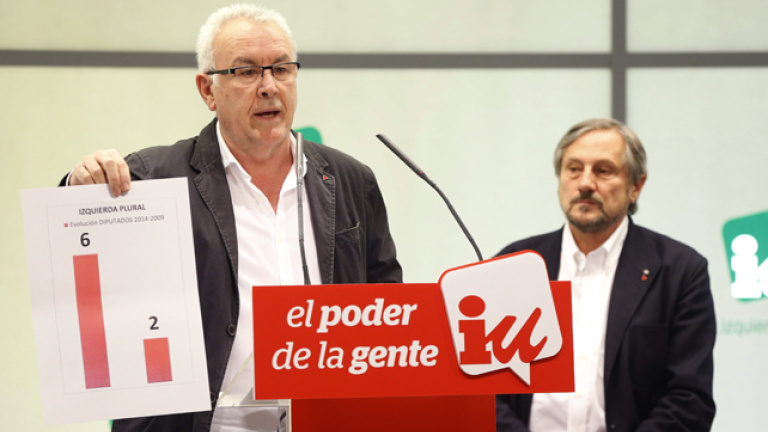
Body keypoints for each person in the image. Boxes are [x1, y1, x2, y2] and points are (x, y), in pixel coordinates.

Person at [64, 4, 402, 431]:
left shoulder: (349, 179)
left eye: (282, 69)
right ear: (208, 90)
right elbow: (84, 255)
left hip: (326, 420)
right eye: (246, 72)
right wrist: (80, 185)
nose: (269, 87)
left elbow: (386, 305)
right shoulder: (156, 178)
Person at [495, 118, 716, 432]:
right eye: (574, 169)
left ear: (635, 186)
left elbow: (689, 400)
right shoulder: (515, 264)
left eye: (603, 170)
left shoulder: (680, 271)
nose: (585, 183)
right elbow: (481, 386)